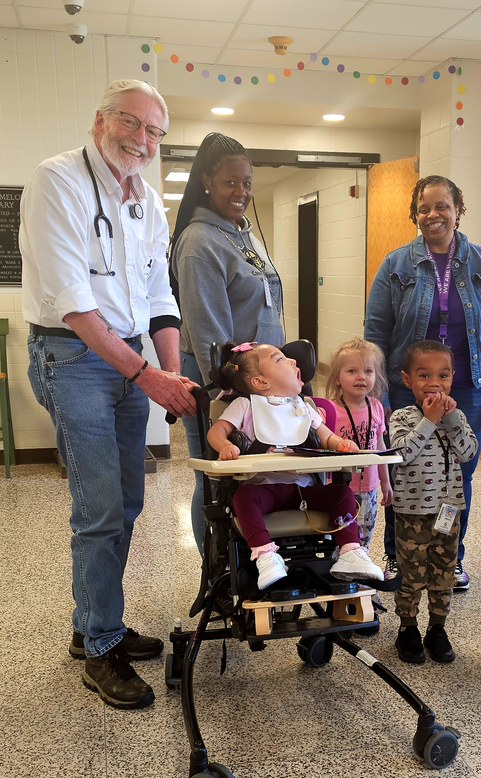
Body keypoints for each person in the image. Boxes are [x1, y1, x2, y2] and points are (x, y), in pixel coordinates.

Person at [22, 79, 198, 710]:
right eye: (132, 123)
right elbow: (72, 302)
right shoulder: (58, 180)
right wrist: (145, 376)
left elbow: (159, 298)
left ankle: (92, 624)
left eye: (155, 131)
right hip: (72, 356)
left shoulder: (148, 200)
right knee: (99, 510)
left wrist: (171, 375)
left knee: (125, 503)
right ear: (101, 121)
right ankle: (101, 648)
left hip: (124, 357)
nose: (143, 139)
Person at [365, 175, 481, 590]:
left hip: (468, 389)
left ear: (458, 209)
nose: (433, 215)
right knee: (405, 472)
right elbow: (376, 331)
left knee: (457, 477)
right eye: (424, 208)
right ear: (415, 214)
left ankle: (449, 560)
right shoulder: (395, 266)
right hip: (406, 387)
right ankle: (398, 555)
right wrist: (375, 394)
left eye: (442, 206)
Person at [170, 133, 284, 557]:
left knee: (250, 478)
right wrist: (228, 393)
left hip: (258, 383)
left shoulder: (242, 235)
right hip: (224, 382)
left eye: (247, 182)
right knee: (216, 478)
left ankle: (251, 566)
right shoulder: (200, 243)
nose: (242, 192)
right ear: (206, 182)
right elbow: (207, 333)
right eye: (230, 182)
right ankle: (219, 572)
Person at [207, 342, 385, 590]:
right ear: (260, 382)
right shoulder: (245, 405)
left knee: (342, 494)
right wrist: (225, 446)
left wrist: (341, 443)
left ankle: (349, 551)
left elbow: (327, 437)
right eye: (280, 359)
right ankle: (265, 555)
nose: (293, 362)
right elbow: (216, 432)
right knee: (243, 497)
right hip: (263, 489)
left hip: (303, 489)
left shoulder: (303, 407)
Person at [389, 341, 478, 665]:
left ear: (452, 378)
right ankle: (408, 627)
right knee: (411, 575)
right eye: (424, 375)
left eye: (442, 375)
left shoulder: (456, 416)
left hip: (448, 510)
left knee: (443, 575)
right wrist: (428, 419)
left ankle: (437, 628)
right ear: (407, 379)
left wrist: (450, 418)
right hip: (411, 512)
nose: (434, 383)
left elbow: (469, 453)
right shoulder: (401, 417)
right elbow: (402, 454)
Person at [324, 339, 393, 550]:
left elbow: (380, 449)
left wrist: (386, 482)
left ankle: (361, 573)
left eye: (368, 371)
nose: (361, 377)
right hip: (339, 488)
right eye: (352, 371)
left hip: (369, 487)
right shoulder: (329, 411)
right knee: (339, 535)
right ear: (337, 378)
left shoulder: (377, 407)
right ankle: (338, 572)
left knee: (365, 532)